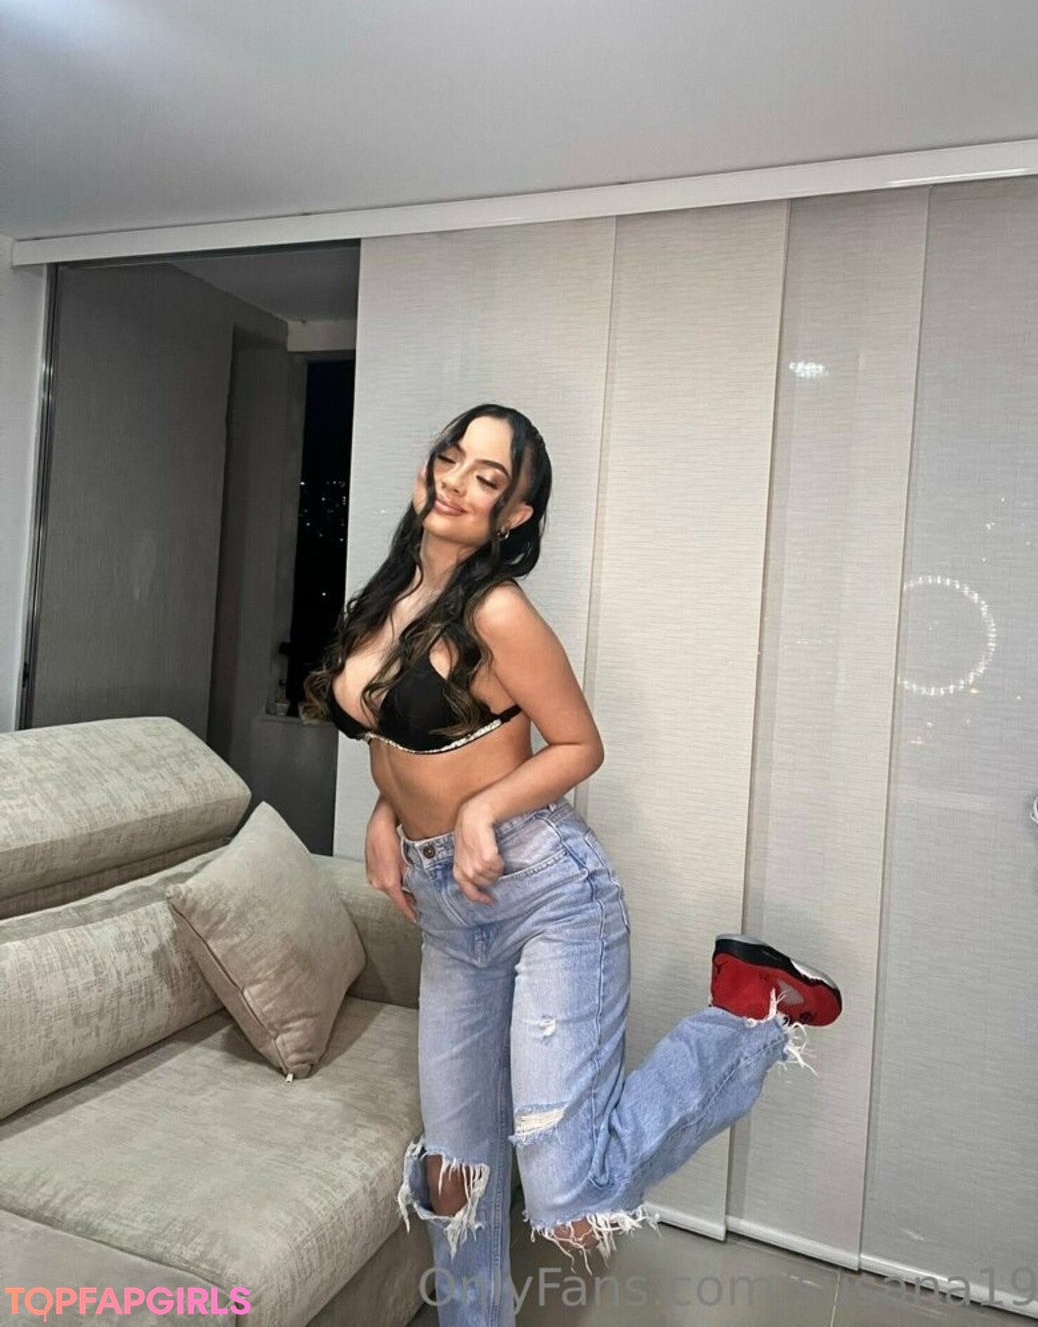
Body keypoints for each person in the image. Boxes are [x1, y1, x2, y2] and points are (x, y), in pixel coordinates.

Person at [303, 403, 842, 1327]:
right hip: (450, 908)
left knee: (567, 1195)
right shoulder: (388, 596)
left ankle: (752, 1012)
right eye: (450, 458)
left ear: (513, 514)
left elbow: (579, 744)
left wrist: (479, 808)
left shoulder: (498, 609)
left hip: (546, 892)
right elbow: (402, 736)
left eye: (486, 477)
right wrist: (388, 813)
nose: (456, 481)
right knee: (455, 1174)